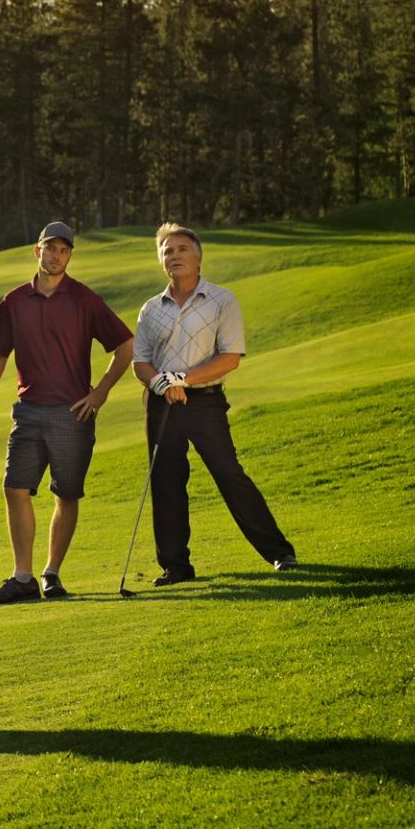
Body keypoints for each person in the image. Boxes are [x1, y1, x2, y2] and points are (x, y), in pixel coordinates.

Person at [0, 221, 134, 606]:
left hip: (73, 414)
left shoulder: (84, 299)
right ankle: (23, 577)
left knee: (66, 494)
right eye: (50, 248)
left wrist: (99, 393)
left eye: (64, 250)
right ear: (37, 251)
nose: (56, 255)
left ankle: (51, 573)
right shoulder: (14, 301)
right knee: (14, 488)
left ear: (70, 256)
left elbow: (126, 347)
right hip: (29, 412)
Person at [131, 222, 297, 584]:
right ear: (161, 260)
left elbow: (230, 357)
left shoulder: (222, 300)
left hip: (204, 403)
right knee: (166, 483)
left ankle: (279, 552)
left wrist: (182, 379)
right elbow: (140, 361)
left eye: (181, 249)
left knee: (229, 474)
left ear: (199, 256)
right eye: (167, 251)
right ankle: (176, 567)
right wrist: (160, 381)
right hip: (162, 406)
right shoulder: (149, 309)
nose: (174, 256)